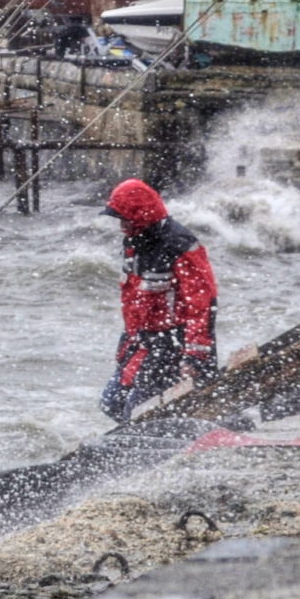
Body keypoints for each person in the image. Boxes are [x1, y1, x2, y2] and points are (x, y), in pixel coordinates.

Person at [99, 177, 219, 421]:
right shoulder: (136, 242)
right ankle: (145, 445)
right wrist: (128, 343)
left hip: (174, 344)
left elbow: (202, 304)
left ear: (141, 215)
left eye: (125, 219)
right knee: (111, 402)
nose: (122, 226)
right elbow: (134, 299)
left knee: (137, 412)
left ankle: (148, 449)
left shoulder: (178, 244)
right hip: (143, 342)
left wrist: (194, 355)